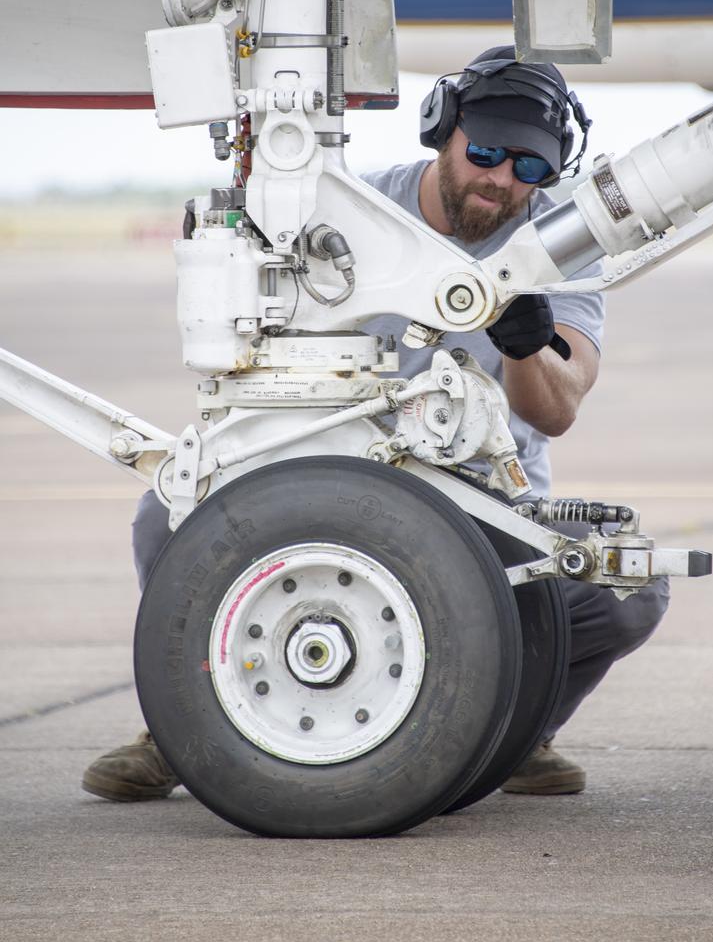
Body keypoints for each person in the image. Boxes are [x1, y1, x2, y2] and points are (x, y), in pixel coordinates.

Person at [82, 47, 668, 803]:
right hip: (336, 483)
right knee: (165, 516)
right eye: (484, 152)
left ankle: (516, 731)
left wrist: (523, 341)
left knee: (630, 592)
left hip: (482, 505)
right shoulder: (351, 215)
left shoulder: (559, 246)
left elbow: (554, 408)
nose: (500, 181)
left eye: (528, 168)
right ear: (442, 131)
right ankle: (185, 728)